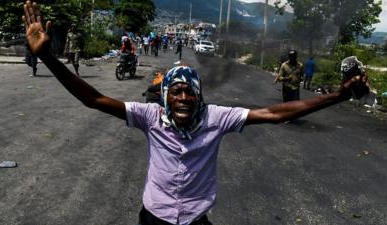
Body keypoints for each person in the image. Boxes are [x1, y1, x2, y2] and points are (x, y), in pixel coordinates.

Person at [22, 2, 368, 225]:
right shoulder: (150, 116)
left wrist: (338, 95)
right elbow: (94, 99)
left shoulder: (216, 118)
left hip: (196, 219)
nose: (184, 97)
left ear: (199, 96)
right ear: (165, 97)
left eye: (190, 91)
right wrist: (50, 58)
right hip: (154, 218)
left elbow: (275, 113)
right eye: (176, 91)